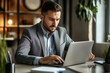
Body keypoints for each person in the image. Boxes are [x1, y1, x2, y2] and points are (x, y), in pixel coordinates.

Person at [15, 1, 95, 65]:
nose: (55, 24)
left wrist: (83, 54)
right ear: (42, 17)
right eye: (51, 19)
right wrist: (42, 59)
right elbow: (19, 56)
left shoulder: (62, 32)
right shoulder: (29, 32)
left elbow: (74, 48)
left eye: (57, 19)